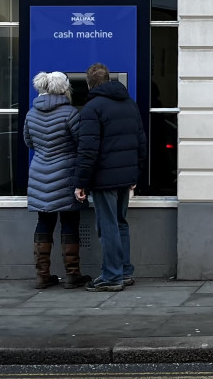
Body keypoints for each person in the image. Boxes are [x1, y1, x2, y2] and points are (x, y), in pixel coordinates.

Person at [73, 63, 147, 292]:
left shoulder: (91, 108)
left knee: (108, 226)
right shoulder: (129, 104)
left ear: (89, 83)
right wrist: (136, 172)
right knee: (120, 223)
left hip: (104, 178)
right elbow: (140, 141)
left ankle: (111, 276)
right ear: (109, 79)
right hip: (125, 175)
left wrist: (81, 183)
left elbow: (88, 150)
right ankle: (124, 272)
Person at [23, 71, 90, 289]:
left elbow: (29, 142)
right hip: (66, 173)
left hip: (39, 173)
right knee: (70, 222)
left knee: (44, 222)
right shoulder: (70, 113)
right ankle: (72, 275)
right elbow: (81, 142)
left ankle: (42, 275)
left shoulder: (31, 114)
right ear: (64, 90)